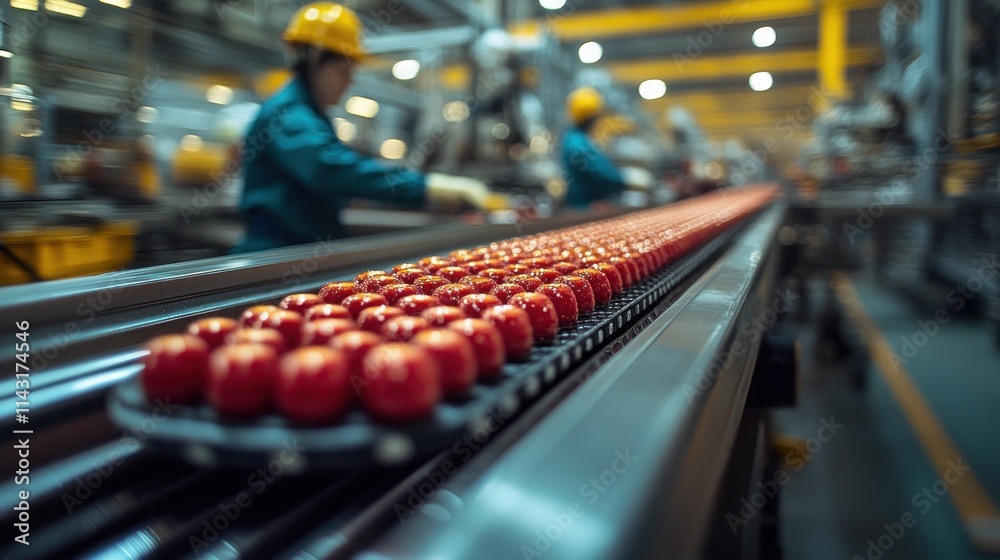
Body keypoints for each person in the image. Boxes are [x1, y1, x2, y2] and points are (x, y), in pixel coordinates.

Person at [233, 2, 501, 253]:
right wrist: (429, 186)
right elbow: (329, 168)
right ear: (313, 58)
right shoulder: (287, 114)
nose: (349, 82)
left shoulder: (311, 114)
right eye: (342, 71)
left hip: (303, 247)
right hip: (275, 249)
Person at [560, 87, 628, 210]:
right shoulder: (578, 143)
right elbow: (598, 171)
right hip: (585, 207)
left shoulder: (574, 138)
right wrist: (623, 179)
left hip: (583, 206)